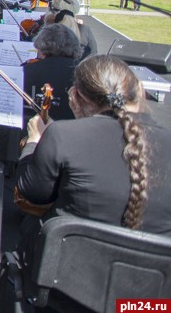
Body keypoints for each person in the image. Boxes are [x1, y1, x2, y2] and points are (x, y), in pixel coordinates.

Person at [16, 55, 171, 238]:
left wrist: (34, 141)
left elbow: (32, 193)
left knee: (31, 223)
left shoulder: (62, 135)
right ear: (139, 91)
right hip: (154, 256)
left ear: (75, 96)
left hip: (69, 251)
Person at [23, 24, 81, 122]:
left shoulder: (27, 70)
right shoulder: (85, 71)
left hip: (32, 126)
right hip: (76, 126)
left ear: (42, 46)